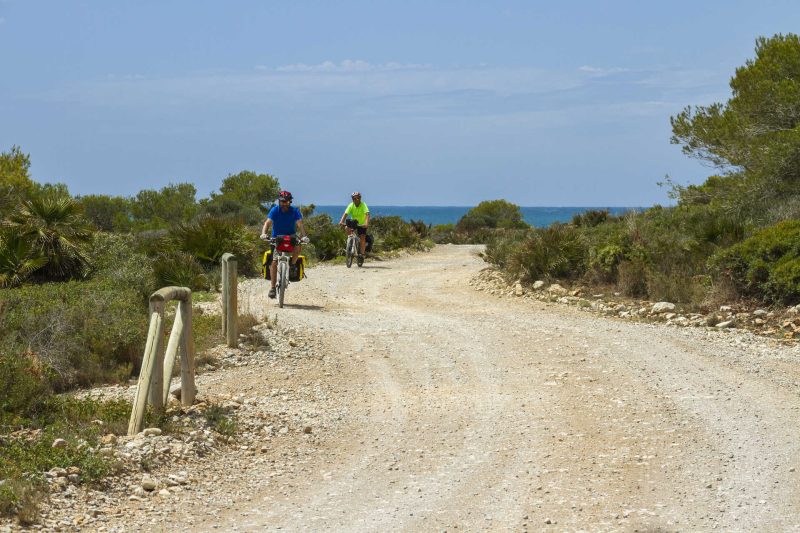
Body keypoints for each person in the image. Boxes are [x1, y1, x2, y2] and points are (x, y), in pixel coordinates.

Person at [260, 190, 306, 298]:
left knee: (299, 246)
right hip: (277, 238)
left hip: (291, 237)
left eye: (286, 201)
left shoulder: (294, 211)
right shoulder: (275, 210)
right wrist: (263, 233)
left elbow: (300, 224)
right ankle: (272, 288)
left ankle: (292, 264)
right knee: (274, 261)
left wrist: (304, 236)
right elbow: (267, 222)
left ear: (290, 201)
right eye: (282, 201)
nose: (284, 204)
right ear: (279, 201)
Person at [338, 191, 370, 264]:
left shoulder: (363, 205)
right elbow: (345, 214)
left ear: (360, 198)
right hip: (354, 223)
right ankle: (350, 241)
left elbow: (367, 214)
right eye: (354, 199)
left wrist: (366, 223)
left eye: (358, 198)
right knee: (346, 228)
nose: (356, 200)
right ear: (352, 199)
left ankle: (361, 254)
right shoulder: (351, 205)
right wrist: (341, 221)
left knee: (362, 237)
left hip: (362, 224)